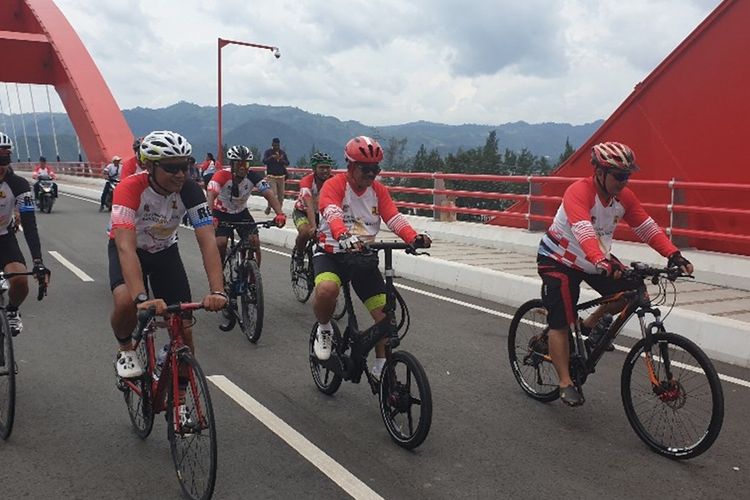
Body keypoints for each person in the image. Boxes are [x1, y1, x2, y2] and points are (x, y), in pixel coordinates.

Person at [537, 141, 694, 407]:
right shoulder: (579, 191)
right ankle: (565, 382)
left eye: (627, 175)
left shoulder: (624, 198)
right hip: (559, 259)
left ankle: (590, 324)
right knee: (562, 320)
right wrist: (600, 259)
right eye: (619, 176)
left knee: (632, 292)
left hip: (595, 259)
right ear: (599, 172)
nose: (624, 181)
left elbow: (646, 227)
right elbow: (583, 229)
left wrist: (673, 255)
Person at [108, 130, 227, 380]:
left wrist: (217, 290)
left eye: (185, 166)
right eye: (172, 167)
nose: (181, 174)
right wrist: (141, 297)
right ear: (150, 166)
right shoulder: (129, 188)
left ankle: (181, 404)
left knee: (184, 330)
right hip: (132, 250)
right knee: (124, 301)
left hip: (165, 251)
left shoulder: (190, 190)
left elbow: (207, 241)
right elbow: (125, 248)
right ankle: (125, 348)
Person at [312, 136, 431, 379]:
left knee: (386, 315)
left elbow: (394, 217)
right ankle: (324, 329)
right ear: (350, 166)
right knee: (326, 289)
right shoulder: (334, 185)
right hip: (332, 254)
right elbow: (331, 211)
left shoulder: (378, 191)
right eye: (365, 168)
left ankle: (380, 366)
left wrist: (413, 237)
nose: (371, 174)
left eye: (375, 168)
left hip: (362, 257)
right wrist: (342, 234)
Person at [0, 133, 51, 336]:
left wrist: (38, 261)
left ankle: (12, 311)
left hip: (4, 237)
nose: (1, 165)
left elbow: (29, 224)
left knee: (20, 280)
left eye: (4, 159)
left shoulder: (19, 185)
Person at [206, 145, 286, 268]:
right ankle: (219, 268)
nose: (243, 168)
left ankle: (253, 273)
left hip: (241, 212)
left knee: (254, 241)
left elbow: (268, 193)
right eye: (239, 164)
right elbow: (211, 194)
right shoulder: (221, 175)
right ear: (232, 164)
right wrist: (210, 216)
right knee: (221, 242)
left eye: (246, 164)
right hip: (221, 213)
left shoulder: (253, 176)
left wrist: (279, 213)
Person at [292, 152, 333, 264]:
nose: (325, 171)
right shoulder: (307, 181)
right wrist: (313, 226)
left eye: (327, 167)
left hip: (320, 213)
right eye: (321, 168)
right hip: (302, 211)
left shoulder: (333, 181)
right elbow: (309, 205)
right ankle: (299, 255)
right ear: (314, 169)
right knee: (305, 232)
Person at [262, 138, 289, 215]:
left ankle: (279, 211)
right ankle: (269, 206)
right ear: (272, 144)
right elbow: (264, 161)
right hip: (271, 176)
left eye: (277, 145)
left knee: (281, 196)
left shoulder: (282, 153)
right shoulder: (268, 152)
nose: (276, 146)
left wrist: (280, 160)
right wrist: (272, 158)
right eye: (274, 145)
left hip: (281, 177)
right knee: (273, 194)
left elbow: (287, 163)